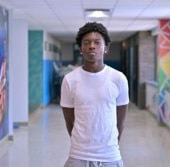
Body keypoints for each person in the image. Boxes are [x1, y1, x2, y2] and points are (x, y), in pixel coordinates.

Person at [60, 22, 129, 167]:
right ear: (80, 49)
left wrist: (110, 146)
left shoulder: (118, 79)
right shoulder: (69, 80)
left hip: (110, 155)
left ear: (106, 48)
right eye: (87, 42)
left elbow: (120, 122)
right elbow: (69, 122)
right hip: (78, 155)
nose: (92, 46)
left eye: (97, 42)